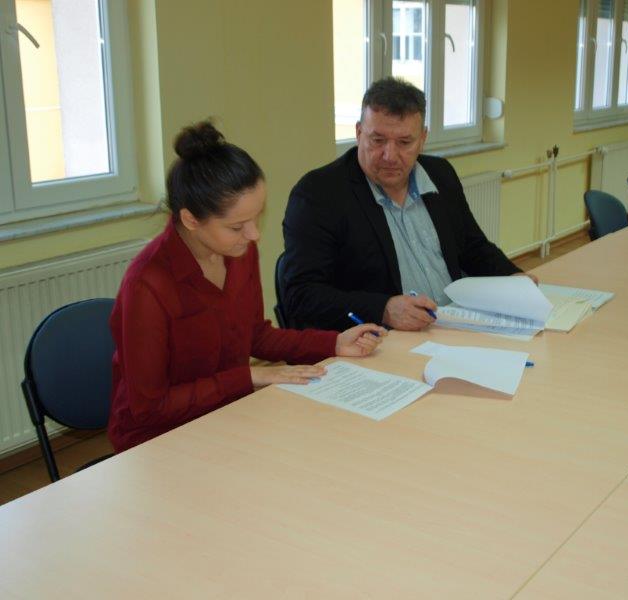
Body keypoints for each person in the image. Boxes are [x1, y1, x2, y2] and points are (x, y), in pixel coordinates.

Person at [108, 121, 385, 452]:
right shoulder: (148, 285)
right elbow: (150, 407)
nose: (254, 234)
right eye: (238, 226)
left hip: (226, 414)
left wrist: (334, 342)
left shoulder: (238, 252)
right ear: (191, 220)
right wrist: (249, 377)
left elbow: (256, 336)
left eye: (256, 217)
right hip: (158, 440)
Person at [282, 77, 535, 332]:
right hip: (384, 341)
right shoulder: (318, 194)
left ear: (423, 138)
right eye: (377, 140)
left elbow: (472, 247)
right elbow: (301, 295)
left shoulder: (440, 174)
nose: (390, 156)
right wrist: (383, 309)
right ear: (358, 133)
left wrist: (513, 278)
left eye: (404, 143)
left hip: (455, 326)